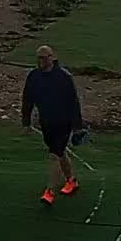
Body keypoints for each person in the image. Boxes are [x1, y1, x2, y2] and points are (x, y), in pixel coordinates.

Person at [22, 45, 85, 205]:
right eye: (39, 58)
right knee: (60, 152)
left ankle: (49, 192)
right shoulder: (33, 77)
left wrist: (78, 126)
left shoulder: (63, 77)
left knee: (54, 156)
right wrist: (26, 122)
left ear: (52, 57)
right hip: (46, 122)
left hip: (64, 122)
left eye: (44, 57)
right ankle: (71, 180)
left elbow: (73, 102)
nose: (41, 61)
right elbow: (27, 99)